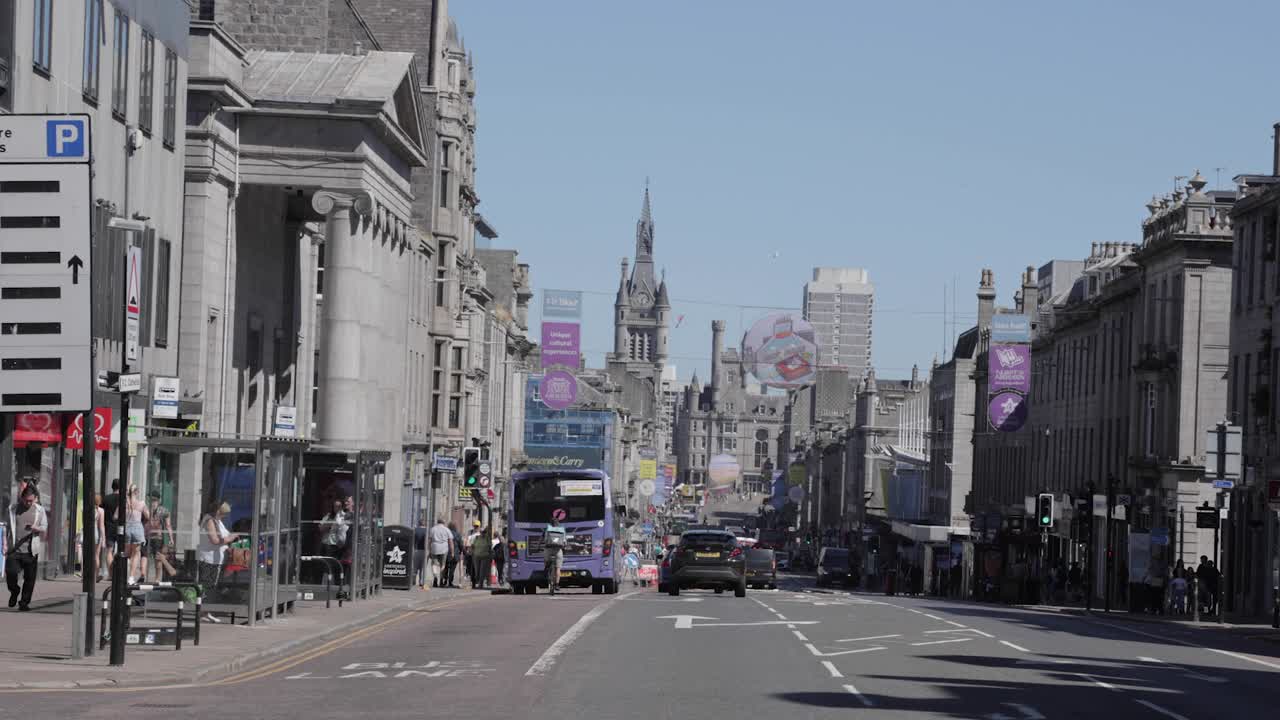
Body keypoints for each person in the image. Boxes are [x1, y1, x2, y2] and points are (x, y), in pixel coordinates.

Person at [197, 501, 240, 623]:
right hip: (209, 559)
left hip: (215, 559)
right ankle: (202, 612)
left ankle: (206, 612)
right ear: (217, 511)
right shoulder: (210, 520)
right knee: (207, 585)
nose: (224, 517)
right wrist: (230, 538)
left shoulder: (216, 521)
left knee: (211, 586)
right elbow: (215, 540)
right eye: (223, 514)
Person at [7, 485, 47, 611]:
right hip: (15, 549)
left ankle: (24, 603)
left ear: (35, 498)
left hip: (31, 550)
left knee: (29, 579)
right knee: (11, 573)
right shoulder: (13, 509)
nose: (28, 503)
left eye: (31, 500)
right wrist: (4, 544)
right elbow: (8, 527)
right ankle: (14, 591)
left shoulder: (40, 510)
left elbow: (44, 527)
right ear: (22, 497)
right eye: (26, 500)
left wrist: (36, 528)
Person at [145, 491, 176, 582]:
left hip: (158, 538)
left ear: (158, 500)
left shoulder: (164, 511)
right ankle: (147, 576)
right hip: (148, 537)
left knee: (158, 558)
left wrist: (171, 538)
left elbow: (168, 525)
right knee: (145, 557)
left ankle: (157, 579)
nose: (152, 502)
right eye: (151, 500)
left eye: (154, 500)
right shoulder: (147, 509)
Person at [123, 485, 149, 585]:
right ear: (136, 492)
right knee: (136, 553)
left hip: (127, 527)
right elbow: (148, 516)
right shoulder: (141, 503)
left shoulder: (125, 503)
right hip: (137, 527)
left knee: (126, 553)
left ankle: (125, 575)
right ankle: (131, 577)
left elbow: (116, 516)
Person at [543, 517, 567, 595]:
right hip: (558, 550)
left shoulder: (548, 528)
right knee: (558, 568)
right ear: (558, 523)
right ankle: (557, 584)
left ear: (551, 523)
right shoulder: (562, 529)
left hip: (548, 549)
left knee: (546, 560)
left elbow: (545, 540)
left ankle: (547, 567)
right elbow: (564, 541)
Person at [102, 480, 120, 576]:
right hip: (120, 527)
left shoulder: (106, 499)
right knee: (121, 550)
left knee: (109, 551)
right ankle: (120, 574)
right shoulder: (123, 499)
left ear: (112, 487)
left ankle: (111, 574)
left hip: (108, 527)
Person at [428, 519, 453, 588]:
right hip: (444, 548)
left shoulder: (433, 529)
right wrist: (452, 551)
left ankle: (435, 578)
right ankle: (441, 580)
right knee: (443, 565)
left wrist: (429, 550)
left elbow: (429, 540)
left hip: (434, 548)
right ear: (444, 522)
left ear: (437, 522)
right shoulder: (447, 529)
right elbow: (450, 541)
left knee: (434, 564)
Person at [472, 524, 492, 589]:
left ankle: (480, 584)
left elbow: (490, 546)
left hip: (485, 556)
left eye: (484, 532)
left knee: (482, 571)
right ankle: (476, 582)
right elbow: (473, 546)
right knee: (477, 570)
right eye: (482, 532)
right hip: (476, 556)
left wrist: (489, 554)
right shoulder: (477, 538)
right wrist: (472, 552)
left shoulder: (487, 538)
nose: (483, 533)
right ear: (480, 532)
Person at [464, 520, 482, 587]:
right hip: (470, 553)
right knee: (471, 568)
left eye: (477, 526)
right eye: (475, 526)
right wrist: (466, 547)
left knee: (476, 568)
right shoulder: (470, 533)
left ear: (479, 526)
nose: (476, 527)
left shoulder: (481, 534)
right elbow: (466, 541)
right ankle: (473, 581)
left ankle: (477, 581)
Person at [446, 522, 464, 588]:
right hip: (456, 553)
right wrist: (462, 551)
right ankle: (450, 582)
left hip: (446, 552)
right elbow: (461, 544)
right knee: (452, 569)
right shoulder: (458, 534)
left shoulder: (446, 533)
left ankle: (444, 580)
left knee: (445, 567)